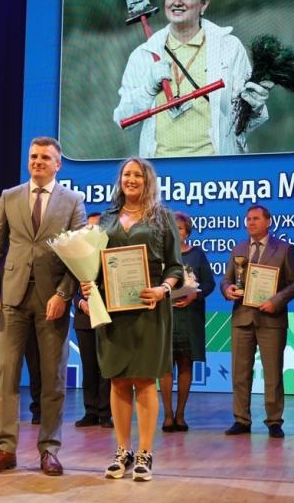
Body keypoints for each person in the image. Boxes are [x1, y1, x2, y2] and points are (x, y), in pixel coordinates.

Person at [0, 136, 86, 476]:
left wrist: (63, 294)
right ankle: (4, 448)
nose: (37, 161)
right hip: (11, 298)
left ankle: (49, 450)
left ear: (58, 164)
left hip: (51, 301)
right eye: (33, 156)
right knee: (7, 374)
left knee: (52, 379)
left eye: (45, 158)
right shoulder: (9, 197)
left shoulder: (73, 201)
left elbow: (81, 256)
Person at [81, 157, 183, 481]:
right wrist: (88, 288)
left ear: (148, 180)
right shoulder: (107, 218)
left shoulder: (163, 217)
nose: (132, 179)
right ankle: (122, 451)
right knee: (118, 380)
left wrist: (163, 289)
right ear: (120, 179)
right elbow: (93, 264)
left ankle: (145, 453)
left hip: (149, 310)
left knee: (145, 380)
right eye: (127, 174)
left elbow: (175, 267)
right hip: (113, 311)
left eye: (138, 174)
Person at [114, 0, 272, 158]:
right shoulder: (142, 55)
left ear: (204, 5)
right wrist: (148, 88)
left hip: (214, 169)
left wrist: (255, 106)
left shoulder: (229, 47)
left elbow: (246, 123)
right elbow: (123, 121)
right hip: (160, 173)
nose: (177, 2)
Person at [221, 204, 294, 438]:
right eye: (248, 219)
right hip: (242, 317)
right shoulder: (239, 248)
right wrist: (228, 290)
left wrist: (276, 301)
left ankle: (274, 421)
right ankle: (241, 420)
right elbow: (225, 280)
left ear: (268, 222)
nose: (250, 223)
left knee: (273, 372)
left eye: (255, 218)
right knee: (239, 373)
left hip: (271, 318)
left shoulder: (284, 249)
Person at [160, 211, 216, 432]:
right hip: (165, 317)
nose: (177, 232)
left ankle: (181, 415)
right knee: (165, 366)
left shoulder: (197, 255)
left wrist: (195, 295)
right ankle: (167, 415)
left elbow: (210, 284)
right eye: (173, 228)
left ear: (187, 232)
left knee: (185, 364)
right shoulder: (160, 256)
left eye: (180, 228)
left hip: (189, 317)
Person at [72, 212, 113, 429]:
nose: (91, 231)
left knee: (105, 366)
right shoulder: (76, 255)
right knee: (88, 366)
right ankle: (90, 411)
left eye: (96, 227)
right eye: (88, 227)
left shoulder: (110, 254)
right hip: (83, 318)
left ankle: (106, 413)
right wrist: (82, 304)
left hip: (107, 316)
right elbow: (71, 289)